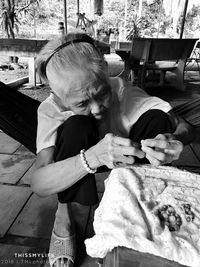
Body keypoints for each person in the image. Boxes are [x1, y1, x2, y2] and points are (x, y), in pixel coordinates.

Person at [30, 32, 196, 267]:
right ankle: (65, 215)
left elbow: (184, 126)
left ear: (106, 75)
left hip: (127, 158)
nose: (97, 108)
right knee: (76, 125)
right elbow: (38, 183)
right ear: (59, 100)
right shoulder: (51, 110)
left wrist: (175, 140)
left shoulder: (121, 90)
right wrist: (93, 156)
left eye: (101, 93)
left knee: (158, 119)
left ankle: (137, 204)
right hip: (80, 158)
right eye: (81, 103)